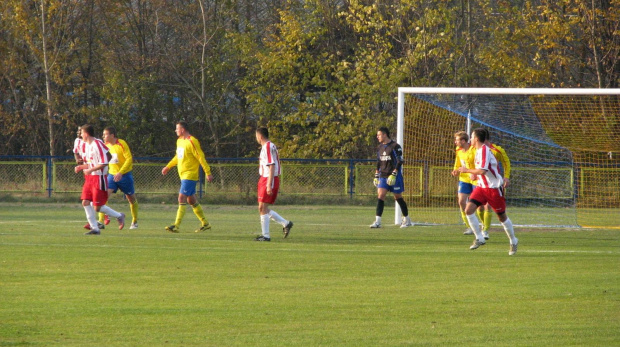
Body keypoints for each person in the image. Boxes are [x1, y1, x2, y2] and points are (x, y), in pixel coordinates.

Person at [458, 128, 518, 255]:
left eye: (472, 137)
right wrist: (475, 174)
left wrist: (467, 171)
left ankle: (513, 240)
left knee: (501, 217)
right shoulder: (477, 150)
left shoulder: (485, 150)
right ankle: (479, 238)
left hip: (494, 188)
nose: (471, 139)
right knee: (469, 210)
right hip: (481, 187)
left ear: (477, 139)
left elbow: (483, 171)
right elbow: (480, 170)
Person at [161, 121, 213, 233]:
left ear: (182, 129)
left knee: (181, 197)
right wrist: (168, 166)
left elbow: (200, 157)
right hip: (182, 175)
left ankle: (176, 225)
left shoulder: (192, 141)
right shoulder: (179, 141)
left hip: (190, 174)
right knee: (191, 200)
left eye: (177, 129)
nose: (175, 131)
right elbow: (177, 157)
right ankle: (205, 223)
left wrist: (207, 172)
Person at [74, 124, 126, 235]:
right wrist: (82, 167)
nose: (81, 135)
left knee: (97, 207)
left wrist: (90, 169)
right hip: (89, 178)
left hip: (99, 178)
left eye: (82, 133)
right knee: (85, 202)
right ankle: (95, 228)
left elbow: (105, 161)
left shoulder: (97, 144)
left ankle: (119, 215)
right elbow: (92, 163)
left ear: (86, 134)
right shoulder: (86, 145)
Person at [254, 127, 293, 241]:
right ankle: (285, 223)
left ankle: (266, 236)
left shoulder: (267, 146)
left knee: (262, 207)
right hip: (265, 178)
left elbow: (271, 165)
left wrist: (268, 184)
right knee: (262, 208)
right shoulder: (267, 146)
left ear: (260, 136)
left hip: (268, 179)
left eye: (256, 136)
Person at [369, 127, 413, 228]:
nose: (377, 137)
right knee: (380, 196)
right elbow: (379, 162)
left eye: (379, 135)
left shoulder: (395, 146)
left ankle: (407, 219)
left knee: (398, 197)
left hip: (394, 176)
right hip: (383, 176)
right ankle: (378, 221)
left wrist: (394, 174)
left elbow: (400, 161)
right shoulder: (379, 147)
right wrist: (376, 175)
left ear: (385, 135)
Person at [101, 127, 139, 229]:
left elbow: (129, 159)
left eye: (105, 134)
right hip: (112, 175)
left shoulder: (121, 143)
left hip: (125, 175)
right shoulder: (105, 146)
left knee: (131, 199)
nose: (103, 136)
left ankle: (134, 221)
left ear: (112, 135)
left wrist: (121, 172)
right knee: (103, 196)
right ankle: (101, 221)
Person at [477, 129, 511, 239]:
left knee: (488, 207)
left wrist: (506, 177)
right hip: (480, 182)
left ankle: (485, 230)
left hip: (493, 184)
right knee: (479, 208)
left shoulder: (497, 150)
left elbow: (506, 163)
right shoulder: (477, 150)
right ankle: (483, 225)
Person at [450, 131, 479, 235]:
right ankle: (469, 226)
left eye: (457, 140)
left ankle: (482, 226)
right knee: (461, 201)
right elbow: (458, 163)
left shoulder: (474, 150)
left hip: (475, 179)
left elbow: (479, 163)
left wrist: (475, 173)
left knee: (477, 204)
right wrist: (455, 170)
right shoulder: (459, 151)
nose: (455, 142)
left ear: (463, 141)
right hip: (463, 179)